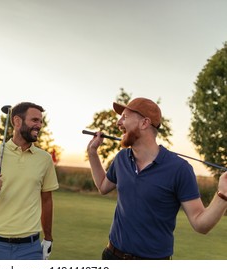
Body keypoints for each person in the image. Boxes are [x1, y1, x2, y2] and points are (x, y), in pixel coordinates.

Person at [87, 97, 227, 260]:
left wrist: (223, 195)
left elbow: (200, 224)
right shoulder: (121, 158)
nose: (118, 123)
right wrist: (92, 153)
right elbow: (103, 186)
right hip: (112, 256)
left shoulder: (179, 169)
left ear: (144, 123)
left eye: (124, 117)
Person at [0, 101, 59, 260]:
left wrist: (48, 238)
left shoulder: (45, 159)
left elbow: (47, 201)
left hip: (30, 248)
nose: (39, 125)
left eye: (41, 121)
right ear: (17, 121)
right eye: (35, 120)